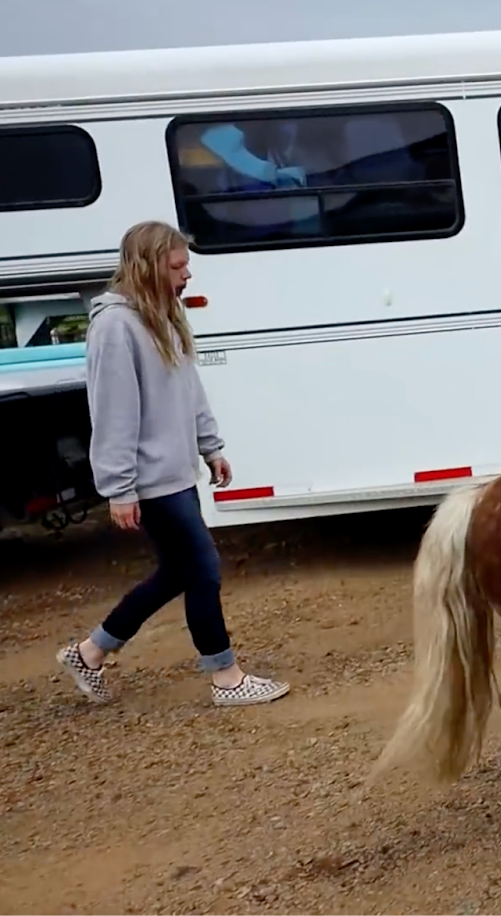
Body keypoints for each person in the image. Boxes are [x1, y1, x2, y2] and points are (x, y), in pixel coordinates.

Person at [55, 220, 291, 708]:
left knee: (178, 572)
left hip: (173, 473)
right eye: (178, 266)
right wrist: (119, 488)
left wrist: (211, 445)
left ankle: (90, 652)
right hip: (150, 481)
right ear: (148, 266)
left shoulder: (161, 315)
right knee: (202, 568)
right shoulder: (115, 326)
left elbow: (188, 389)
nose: (188, 275)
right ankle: (226, 676)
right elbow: (113, 411)